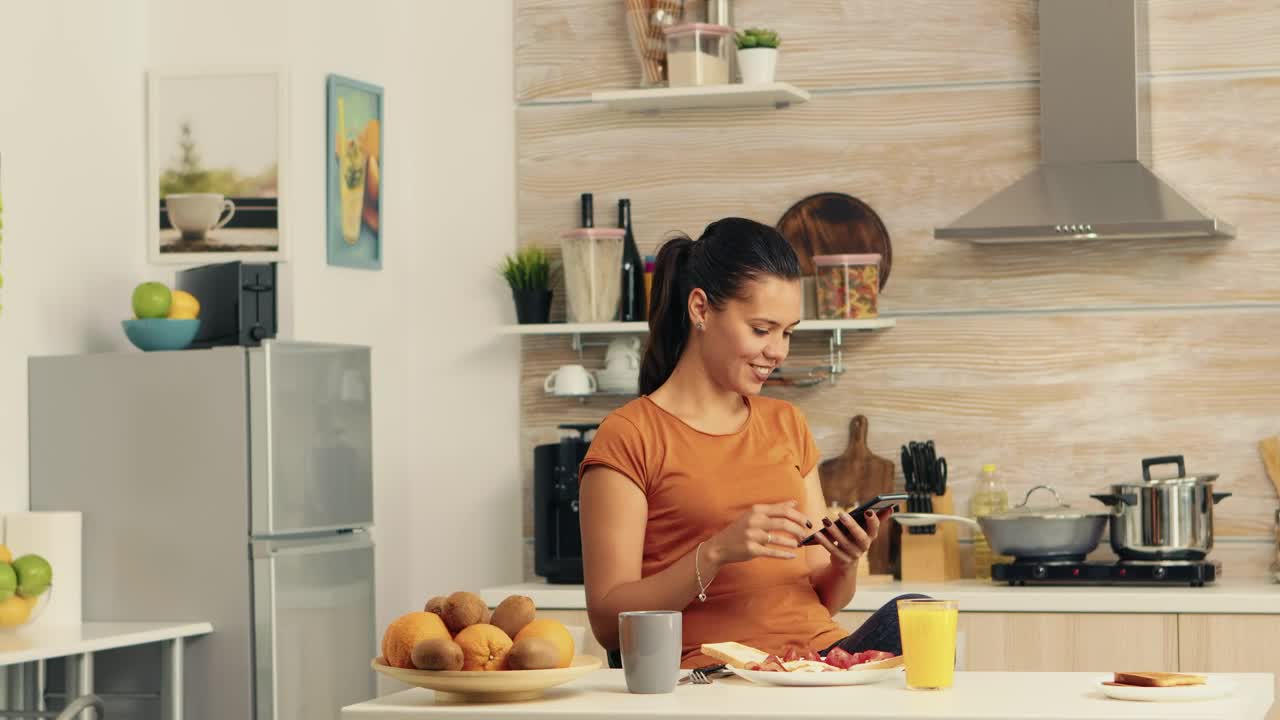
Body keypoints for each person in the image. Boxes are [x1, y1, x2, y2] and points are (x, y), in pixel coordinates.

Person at [578, 217, 923, 669]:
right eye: (762, 330)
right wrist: (717, 551)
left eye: (787, 332)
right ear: (700, 309)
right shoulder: (630, 436)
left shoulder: (787, 424)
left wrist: (844, 562)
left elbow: (824, 597)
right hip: (717, 671)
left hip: (815, 663)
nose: (778, 351)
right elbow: (608, 623)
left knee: (918, 614)